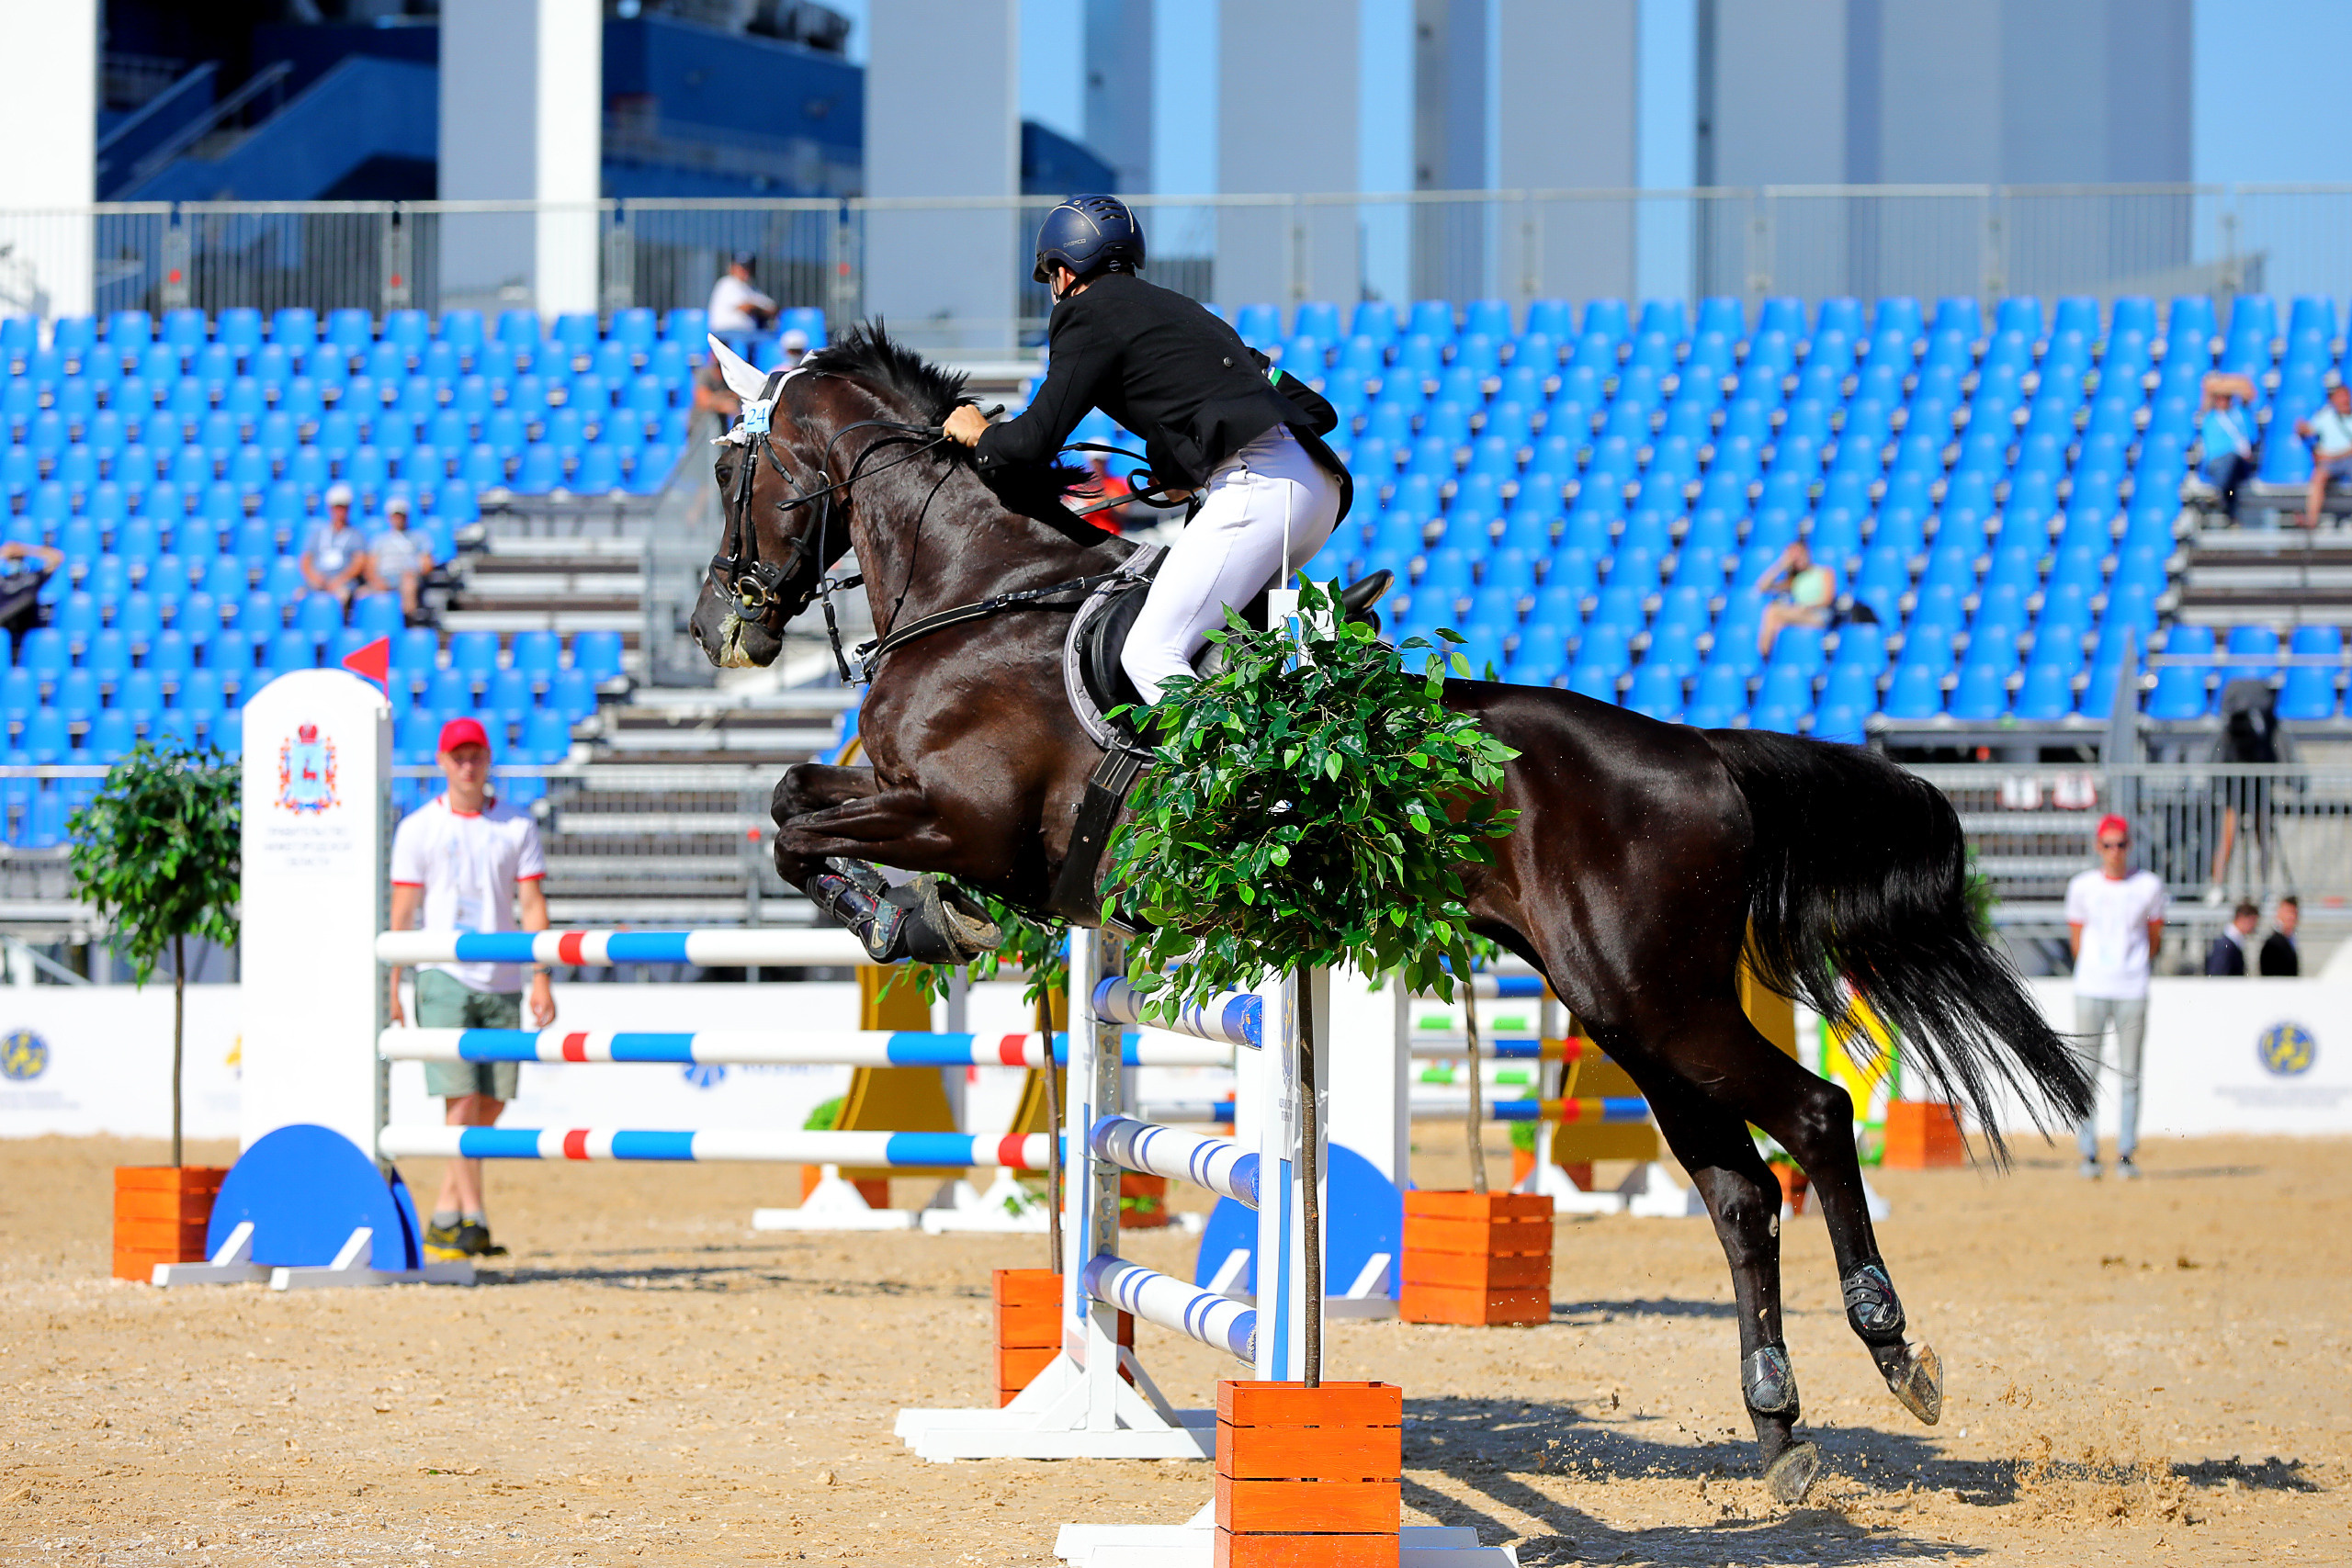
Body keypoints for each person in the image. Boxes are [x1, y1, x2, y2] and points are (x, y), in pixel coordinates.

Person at [942, 194, 1351, 709]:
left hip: (1258, 486)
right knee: (1230, 655)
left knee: (1151, 654)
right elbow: (1315, 409)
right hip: (1315, 486)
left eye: (1050, 275)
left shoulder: (1085, 312)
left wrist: (979, 434)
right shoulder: (1185, 312)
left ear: (1063, 272)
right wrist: (1191, 464)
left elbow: (1032, 441)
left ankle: (1233, 788)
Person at [384, 716, 556, 1260]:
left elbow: (532, 905)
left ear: (487, 760)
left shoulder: (516, 825)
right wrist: (393, 984)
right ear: (441, 761)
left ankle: (442, 1213)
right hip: (441, 973)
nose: (466, 764)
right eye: (457, 755)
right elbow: (402, 913)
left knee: (493, 1101)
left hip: (502, 976)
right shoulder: (417, 828)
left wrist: (541, 976)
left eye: (474, 754)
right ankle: (474, 1219)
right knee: (461, 1104)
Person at [2065, 814, 2166, 1180]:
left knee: (2130, 1073)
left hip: (2131, 988)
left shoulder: (2148, 886)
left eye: (2120, 844)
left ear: (2129, 847)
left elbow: (2154, 936)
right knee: (2087, 1073)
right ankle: (2088, 1151)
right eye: (2108, 845)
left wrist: (2133, 967)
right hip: (2092, 986)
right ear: (2098, 847)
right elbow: (2077, 937)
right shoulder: (2082, 887)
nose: (2115, 852)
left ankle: (2126, 1151)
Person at [1753, 538, 1837, 655]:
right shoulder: (1794, 580)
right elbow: (1762, 587)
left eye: (1800, 554)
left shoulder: (1824, 572)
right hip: (1799, 615)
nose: (1798, 559)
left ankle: (1764, 655)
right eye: (1793, 557)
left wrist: (1807, 607)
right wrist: (1781, 565)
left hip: (1818, 615)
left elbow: (1828, 599)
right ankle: (1772, 659)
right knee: (1776, 622)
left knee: (1772, 612)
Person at [2196, 373, 2259, 524]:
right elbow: (2206, 386)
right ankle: (2229, 511)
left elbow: (2248, 391)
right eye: (2220, 397)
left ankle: (2217, 492)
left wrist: (2231, 385)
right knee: (2230, 479)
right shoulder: (2209, 417)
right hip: (2217, 465)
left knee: (2231, 459)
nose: (2223, 401)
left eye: (2227, 397)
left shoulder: (2240, 414)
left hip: (2239, 464)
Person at [359, 493, 434, 621]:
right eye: (395, 515)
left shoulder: (419, 538)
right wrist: (377, 582)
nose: (398, 519)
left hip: (407, 576)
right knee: (361, 594)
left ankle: (407, 621)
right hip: (384, 578)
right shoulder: (379, 540)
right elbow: (370, 566)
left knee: (408, 584)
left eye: (401, 515)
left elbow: (427, 564)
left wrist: (413, 572)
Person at [300, 482, 370, 610]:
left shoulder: (356, 535)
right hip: (319, 581)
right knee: (299, 596)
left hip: (343, 583)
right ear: (330, 508)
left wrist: (339, 580)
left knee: (341, 596)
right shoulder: (319, 534)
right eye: (337, 507)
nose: (340, 511)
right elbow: (305, 561)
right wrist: (315, 578)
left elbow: (359, 562)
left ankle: (338, 627)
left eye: (343, 507)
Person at [2294, 381, 2352, 528]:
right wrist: (2301, 429)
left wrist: (2328, 456)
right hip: (2330, 463)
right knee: (2319, 476)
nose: (2344, 400)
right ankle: (2311, 521)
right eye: (2340, 397)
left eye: (2346, 396)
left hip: (2346, 460)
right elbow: (2308, 430)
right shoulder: (2325, 417)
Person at [0, 536, 64, 644]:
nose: (15, 561)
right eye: (12, 558)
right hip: (4, 624)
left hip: (27, 627)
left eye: (18, 558)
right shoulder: (2, 580)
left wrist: (26, 550)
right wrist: (4, 552)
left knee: (28, 598)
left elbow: (57, 558)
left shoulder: (33, 578)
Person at [707, 252, 778, 338]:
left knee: (774, 338)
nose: (745, 271)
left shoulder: (751, 287)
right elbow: (746, 307)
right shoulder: (727, 283)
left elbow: (773, 308)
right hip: (726, 334)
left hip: (748, 334)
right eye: (741, 267)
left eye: (748, 267)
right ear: (732, 268)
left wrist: (755, 307)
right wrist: (759, 309)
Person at [2204, 900, 2259, 975]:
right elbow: (2218, 975)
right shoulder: (2225, 945)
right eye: (2253, 921)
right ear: (2243, 918)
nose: (2254, 926)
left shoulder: (2230, 943)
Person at [2260, 894, 2301, 976]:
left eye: (2294, 912)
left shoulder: (2290, 940)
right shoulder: (2272, 943)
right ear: (2278, 913)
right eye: (2288, 912)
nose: (2291, 917)